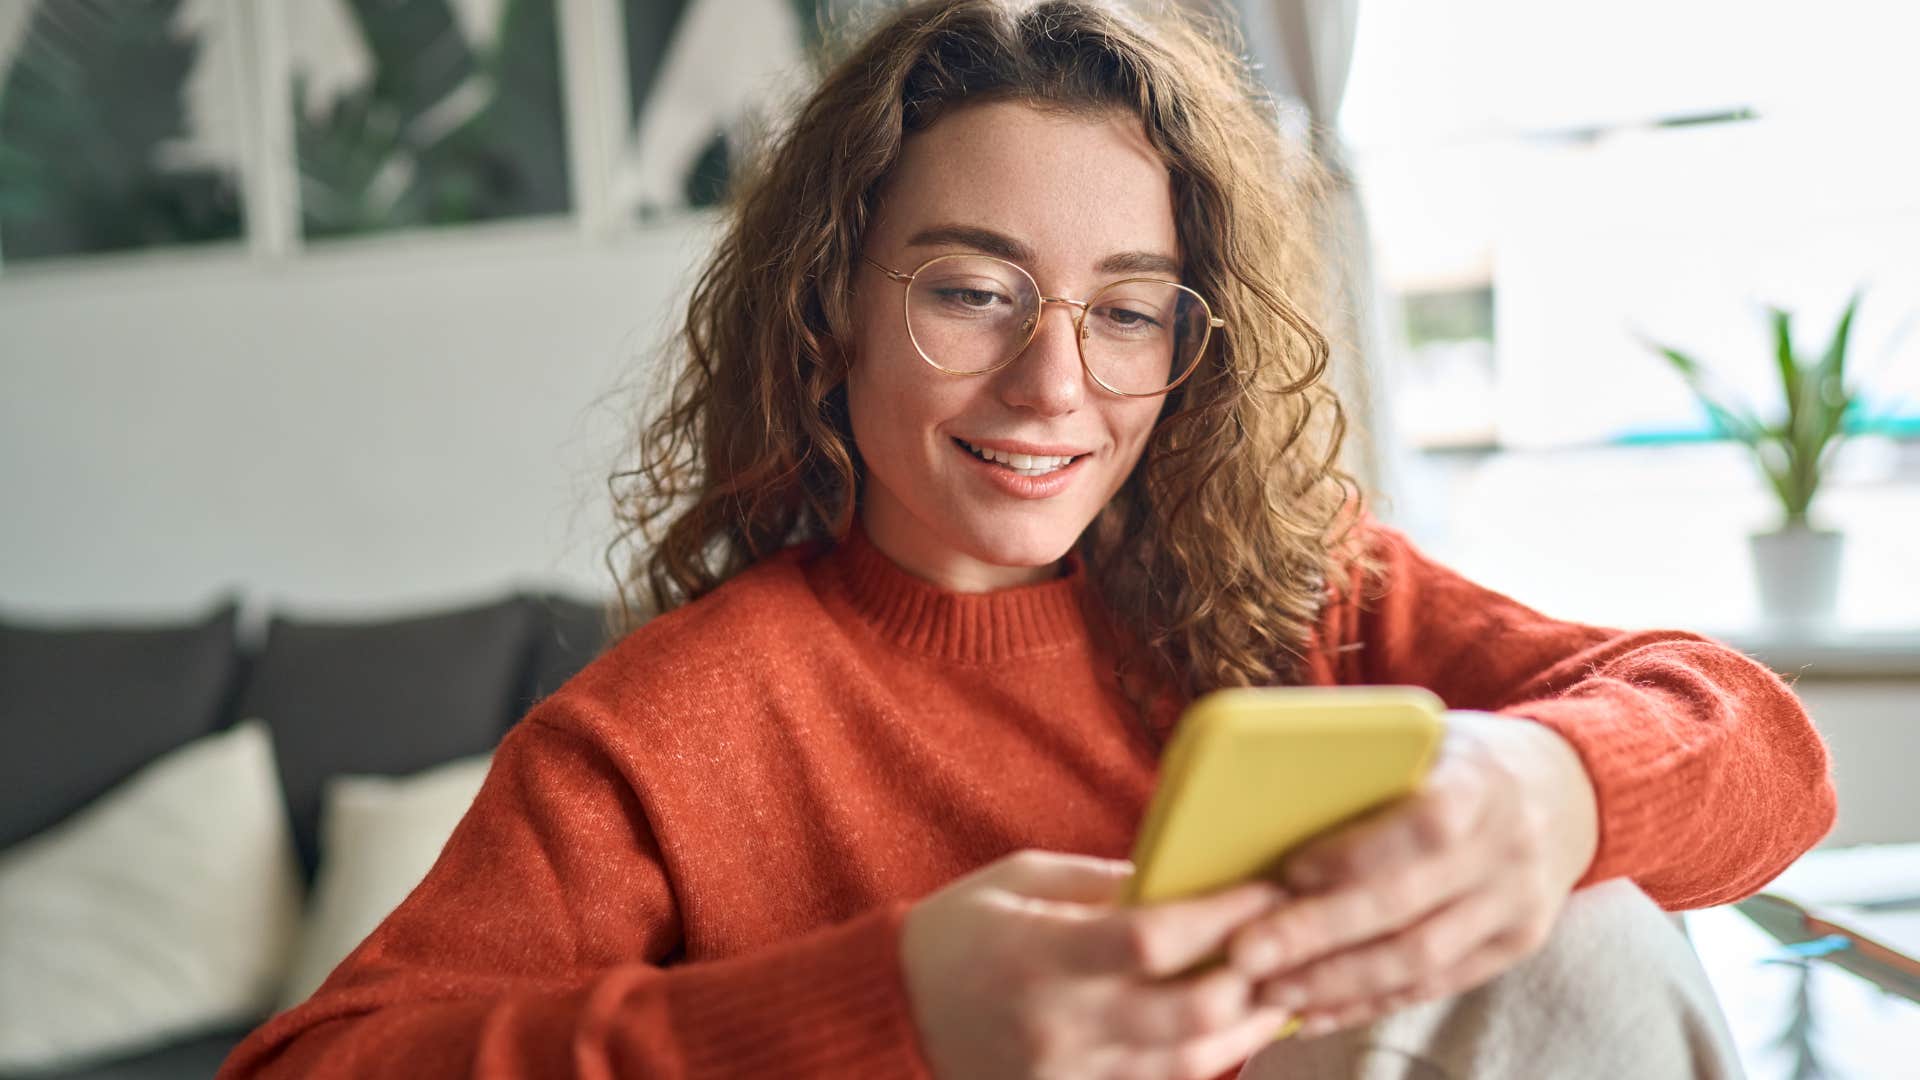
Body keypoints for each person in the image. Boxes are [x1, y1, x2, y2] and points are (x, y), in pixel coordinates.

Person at [217, 1, 1837, 1077]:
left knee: (1599, 920)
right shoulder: (663, 739)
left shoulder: (1302, 591)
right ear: (834, 300)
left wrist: (1545, 791)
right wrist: (893, 1006)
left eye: (1127, 312)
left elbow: (1762, 750)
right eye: (971, 291)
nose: (1055, 383)